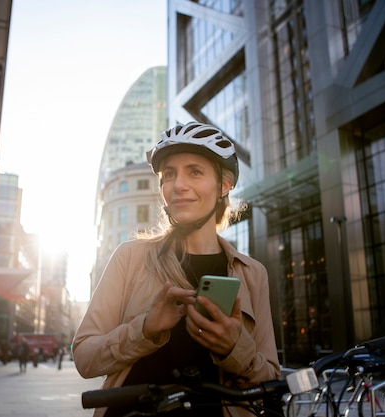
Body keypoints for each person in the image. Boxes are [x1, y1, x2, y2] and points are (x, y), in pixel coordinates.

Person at [73, 122, 280, 417]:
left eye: (194, 171)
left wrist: (233, 347)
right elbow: (84, 357)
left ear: (224, 184)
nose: (178, 184)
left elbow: (270, 378)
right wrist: (144, 329)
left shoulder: (252, 272)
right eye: (169, 174)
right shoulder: (129, 257)